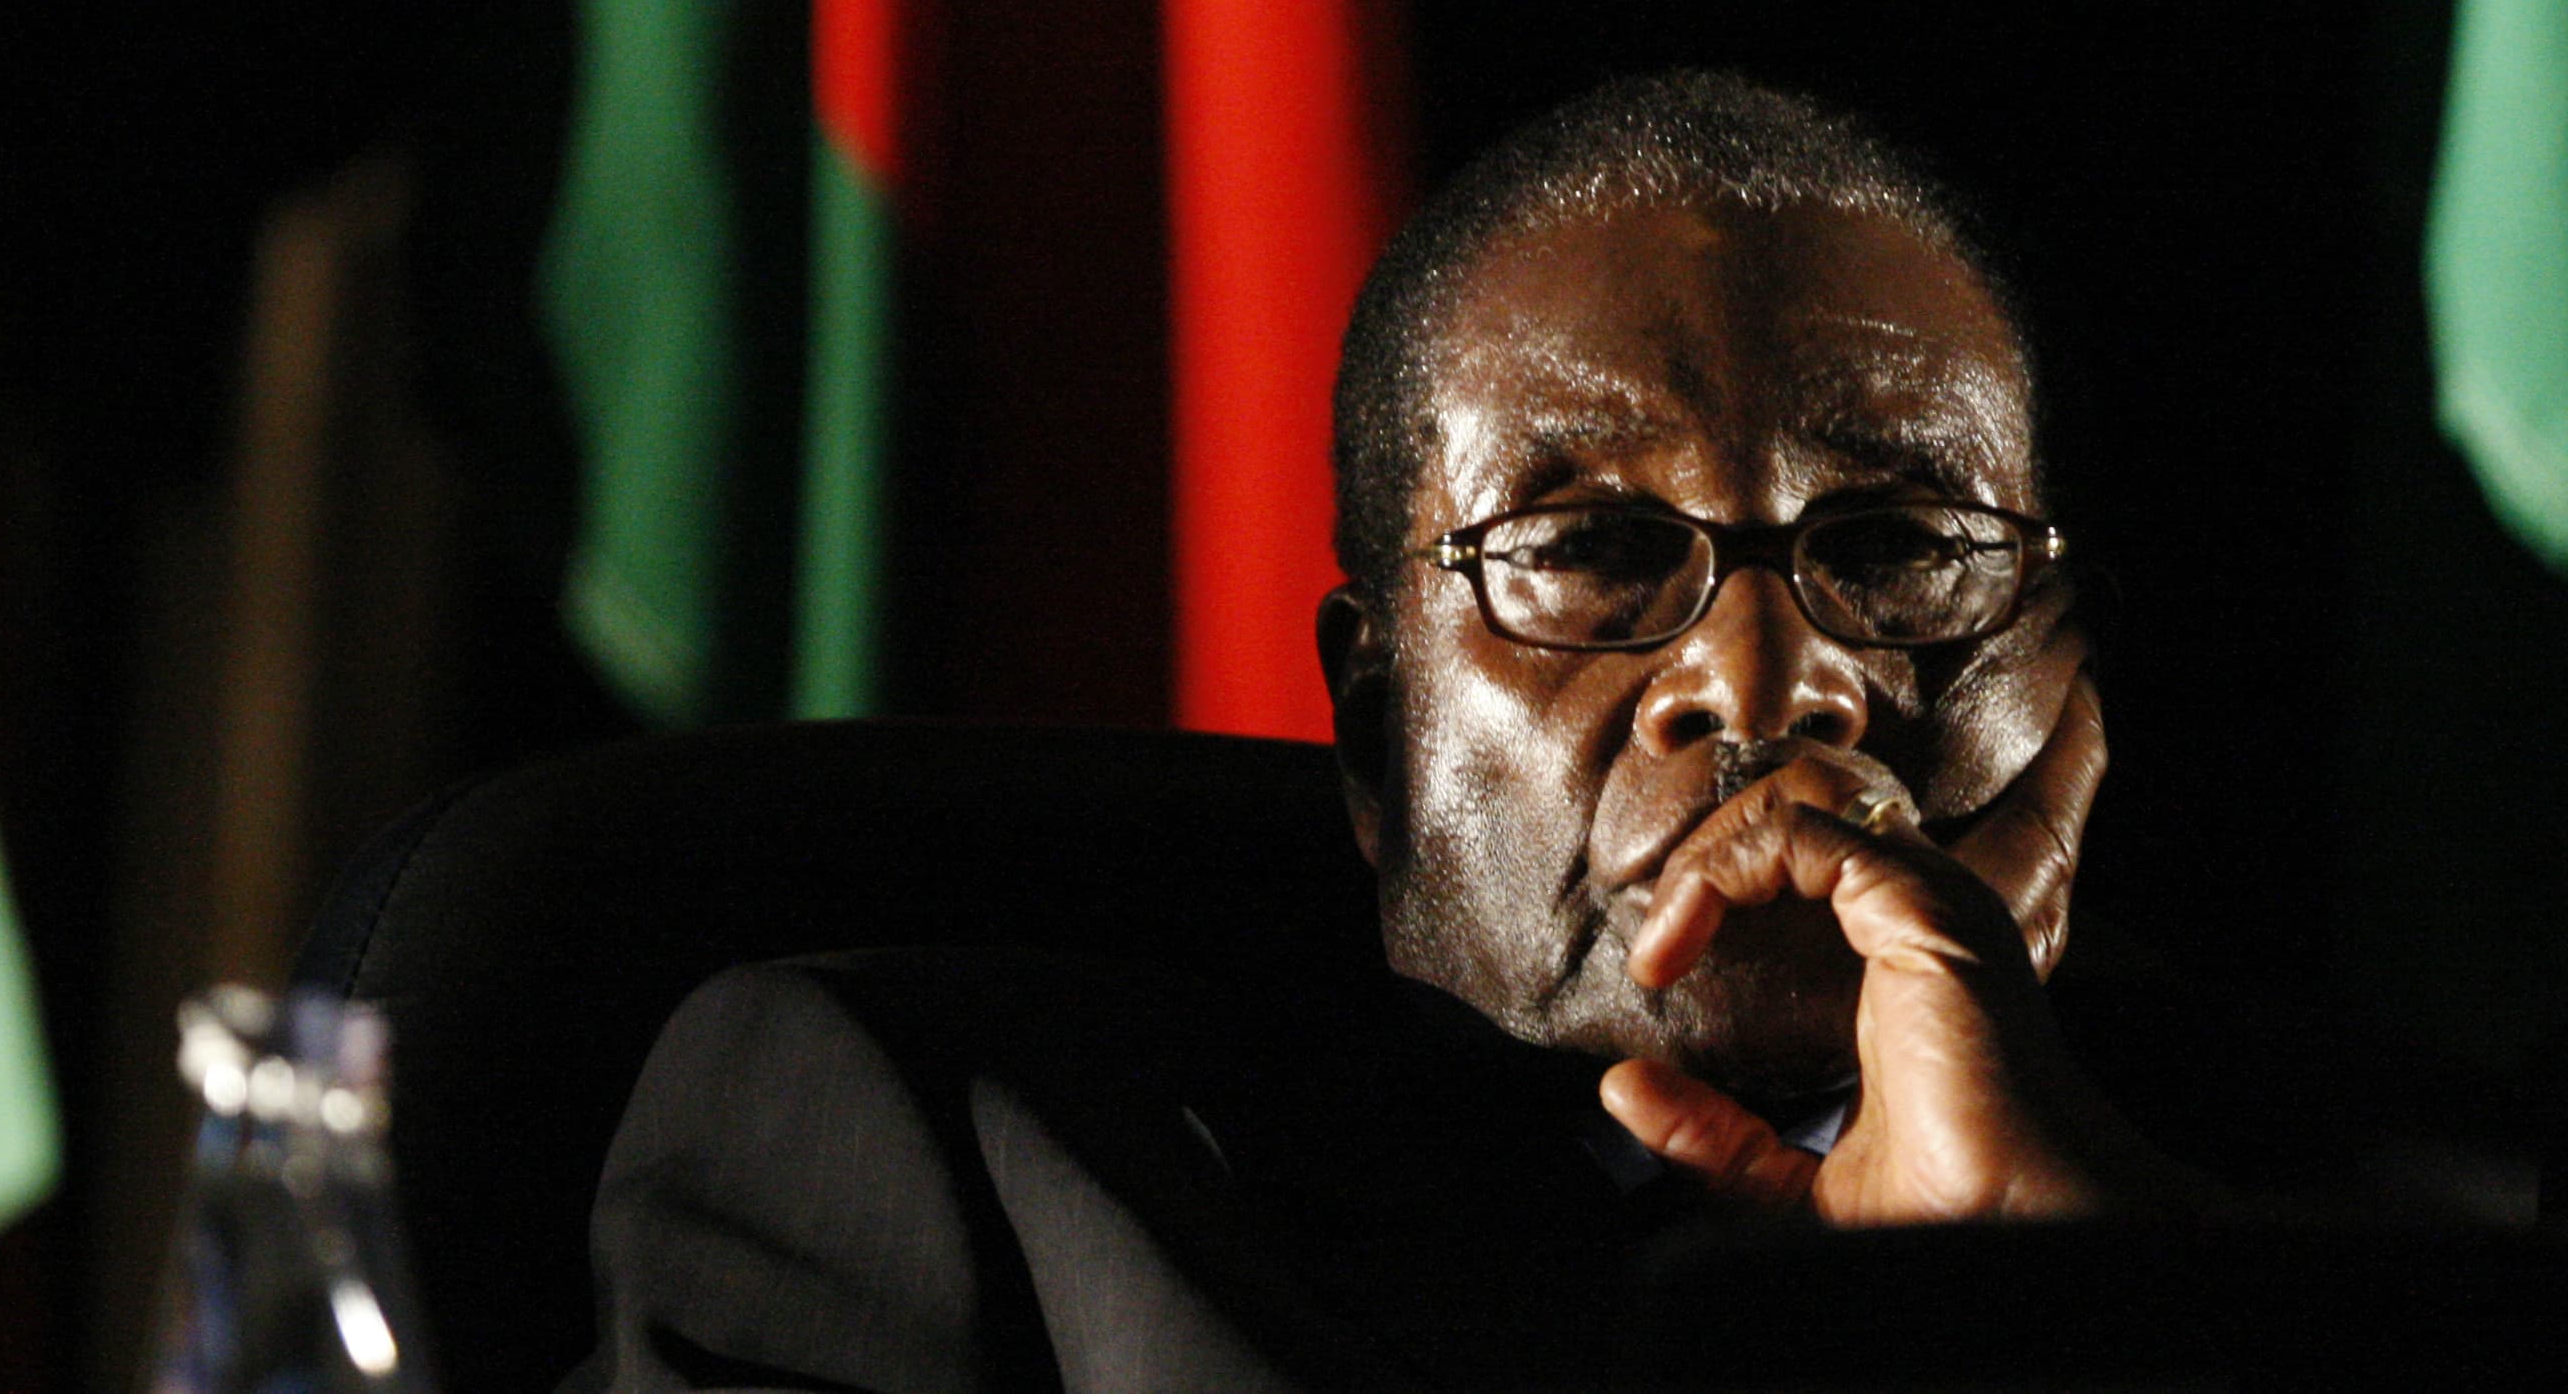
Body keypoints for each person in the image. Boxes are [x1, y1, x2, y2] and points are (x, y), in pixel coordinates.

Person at [558, 73, 2232, 1391]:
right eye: (1586, 551)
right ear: (1376, 735)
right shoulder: (935, 1148)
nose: (1769, 673)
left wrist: (2068, 1299)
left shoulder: (2389, 1223)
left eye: (1897, 548)